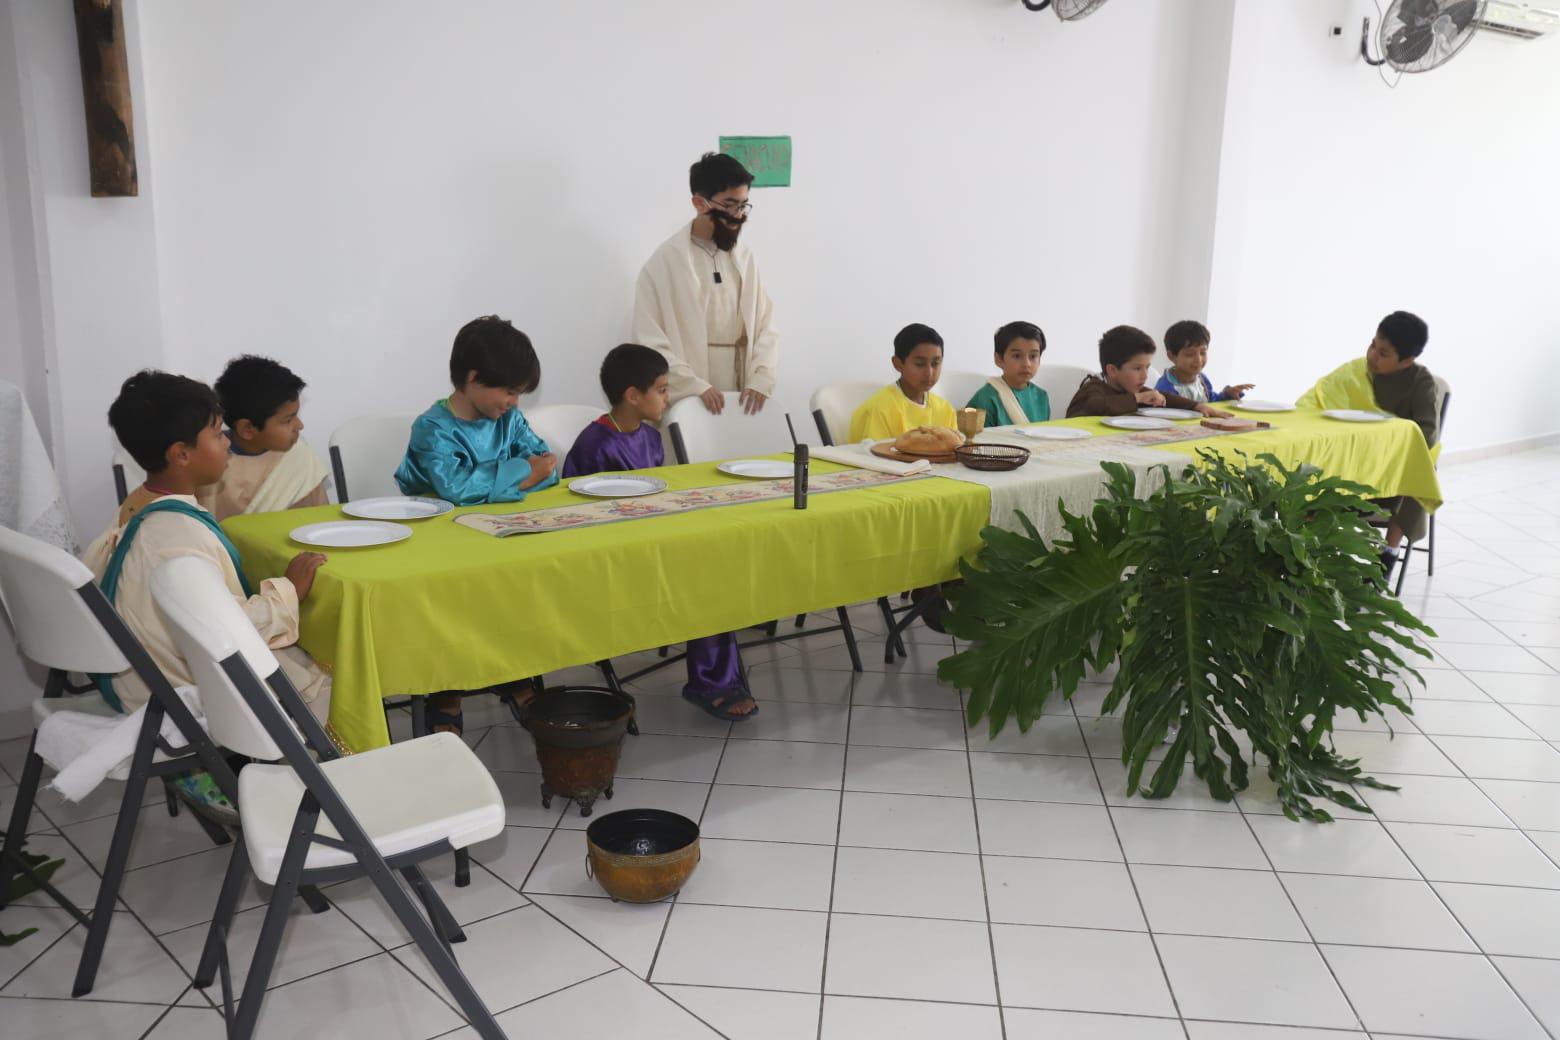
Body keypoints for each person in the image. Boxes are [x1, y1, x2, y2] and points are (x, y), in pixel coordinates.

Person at [84, 371, 333, 814]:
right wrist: (288, 589)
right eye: (217, 434)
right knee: (329, 667)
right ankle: (322, 790)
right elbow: (232, 632)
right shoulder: (179, 536)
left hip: (139, 677)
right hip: (175, 695)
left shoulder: (141, 505)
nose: (226, 442)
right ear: (181, 454)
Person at [563, 344, 755, 720]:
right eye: (662, 390)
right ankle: (712, 682)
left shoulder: (651, 438)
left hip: (652, 542)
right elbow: (573, 513)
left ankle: (717, 678)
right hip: (613, 555)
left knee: (714, 561)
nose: (667, 398)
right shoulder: (594, 444)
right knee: (703, 578)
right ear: (633, 396)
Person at [632, 152, 778, 416]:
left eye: (743, 205)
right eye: (729, 205)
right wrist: (694, 386)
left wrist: (761, 376)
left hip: (741, 392)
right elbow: (649, 342)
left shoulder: (745, 259)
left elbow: (766, 326)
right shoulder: (665, 264)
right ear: (699, 203)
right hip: (692, 395)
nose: (738, 215)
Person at [1302, 312, 1440, 573]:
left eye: (1383, 353)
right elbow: (1318, 403)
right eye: (1372, 345)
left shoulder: (1421, 382)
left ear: (1407, 360)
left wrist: (1387, 441)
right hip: (1353, 461)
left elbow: (1427, 435)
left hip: (1392, 467)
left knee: (1418, 469)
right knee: (1313, 471)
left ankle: (1388, 554)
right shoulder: (1356, 373)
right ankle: (1309, 552)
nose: (1372, 356)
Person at [394, 315, 559, 506]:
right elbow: (458, 491)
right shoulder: (433, 430)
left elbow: (546, 468)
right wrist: (528, 477)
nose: (515, 403)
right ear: (474, 378)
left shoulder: (509, 420)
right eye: (510, 392)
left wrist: (510, 480)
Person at [197, 354, 331, 521]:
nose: (300, 425)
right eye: (288, 420)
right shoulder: (208, 462)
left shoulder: (299, 458)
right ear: (247, 429)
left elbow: (320, 522)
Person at [1067, 326, 1233, 419]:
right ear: (1112, 370)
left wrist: (1197, 406)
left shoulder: (1128, 388)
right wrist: (1139, 398)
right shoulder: (1093, 388)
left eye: (1147, 367)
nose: (1145, 375)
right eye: (1137, 368)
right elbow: (1096, 405)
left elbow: (1165, 397)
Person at [848, 323, 958, 442]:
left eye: (935, 363)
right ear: (898, 364)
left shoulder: (946, 410)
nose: (929, 373)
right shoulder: (880, 409)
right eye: (920, 364)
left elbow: (954, 449)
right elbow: (876, 452)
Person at [966, 320, 1051, 427]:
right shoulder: (986, 399)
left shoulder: (1041, 396)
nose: (1027, 364)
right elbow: (975, 437)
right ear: (999, 359)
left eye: (1033, 356)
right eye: (1017, 356)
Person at [1155, 321, 1253, 405]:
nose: (1198, 359)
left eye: (1203, 352)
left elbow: (1211, 401)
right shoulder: (1165, 388)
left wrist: (1227, 394)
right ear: (1171, 356)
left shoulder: (1202, 379)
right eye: (1189, 354)